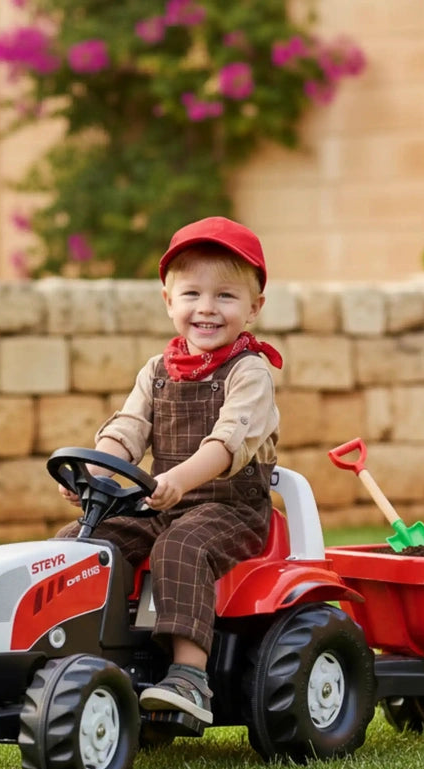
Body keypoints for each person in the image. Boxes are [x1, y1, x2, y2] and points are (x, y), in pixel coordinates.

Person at [57, 216, 282, 725]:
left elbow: (229, 442)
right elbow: (129, 429)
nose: (206, 308)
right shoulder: (157, 371)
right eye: (192, 294)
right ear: (168, 300)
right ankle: (85, 658)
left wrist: (178, 480)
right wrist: (102, 472)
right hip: (159, 502)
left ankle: (190, 676)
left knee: (179, 546)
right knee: (80, 545)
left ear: (254, 308)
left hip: (231, 509)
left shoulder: (250, 373)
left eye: (225, 296)